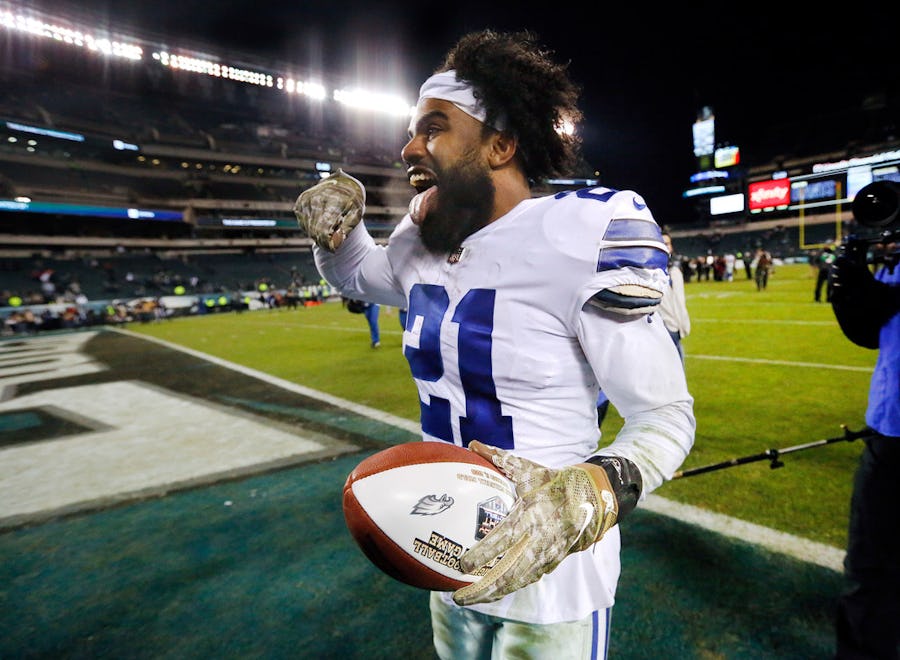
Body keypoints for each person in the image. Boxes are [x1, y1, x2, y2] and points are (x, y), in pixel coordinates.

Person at [294, 29, 695, 659]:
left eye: (434, 129)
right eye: (413, 131)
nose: (409, 147)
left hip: (553, 562)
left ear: (501, 146)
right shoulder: (424, 235)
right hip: (447, 542)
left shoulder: (577, 236)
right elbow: (360, 277)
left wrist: (591, 492)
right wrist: (337, 230)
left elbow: (665, 416)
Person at [830, 241, 900, 659]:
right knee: (871, 562)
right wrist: (854, 298)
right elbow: (875, 333)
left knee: (873, 565)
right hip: (890, 425)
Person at [659, 232, 691, 362]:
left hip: (671, 326)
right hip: (661, 326)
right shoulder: (650, 271)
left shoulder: (674, 271)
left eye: (667, 244)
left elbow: (679, 302)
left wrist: (681, 326)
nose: (665, 247)